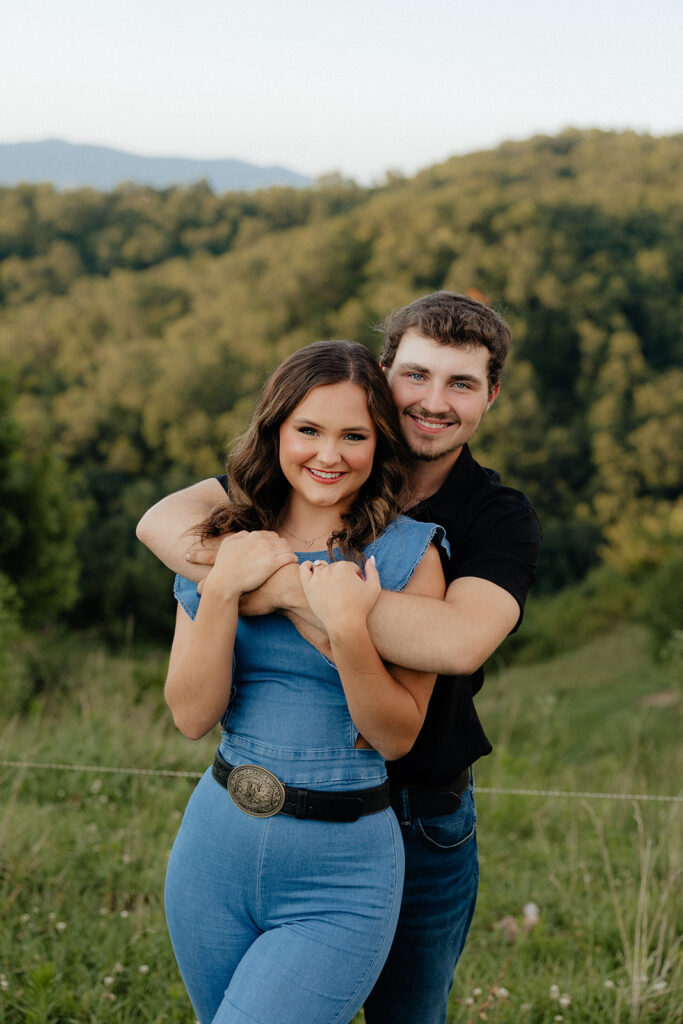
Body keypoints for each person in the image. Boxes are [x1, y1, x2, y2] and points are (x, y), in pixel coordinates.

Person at [137, 292, 541, 1024]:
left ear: (491, 394)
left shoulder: (479, 522)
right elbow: (160, 525)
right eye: (417, 376)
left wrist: (304, 596)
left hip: (409, 818)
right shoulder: (246, 518)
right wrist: (234, 581)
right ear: (385, 375)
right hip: (226, 825)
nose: (434, 402)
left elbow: (456, 643)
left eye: (461, 384)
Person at [158, 340, 447, 1024]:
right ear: (275, 431)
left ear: (380, 445)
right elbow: (192, 716)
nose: (329, 454)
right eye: (308, 430)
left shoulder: (411, 554)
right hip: (213, 852)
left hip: (341, 874)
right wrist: (224, 589)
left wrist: (349, 631)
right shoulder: (220, 539)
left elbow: (397, 735)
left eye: (355, 435)